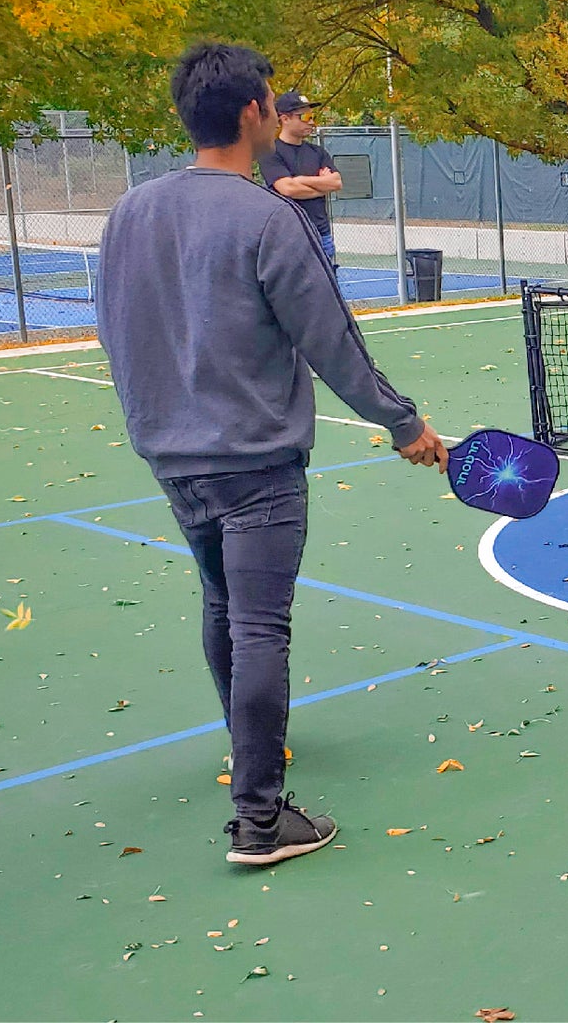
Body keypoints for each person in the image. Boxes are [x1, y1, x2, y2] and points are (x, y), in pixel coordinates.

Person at [95, 42, 449, 867]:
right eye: (271, 100)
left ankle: (246, 750)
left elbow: (115, 332)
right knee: (259, 626)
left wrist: (155, 424)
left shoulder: (129, 213)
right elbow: (333, 341)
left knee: (222, 606)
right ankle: (259, 818)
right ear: (255, 112)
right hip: (255, 464)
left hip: (172, 459)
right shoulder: (268, 217)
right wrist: (405, 425)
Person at [259, 90, 343, 266]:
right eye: (303, 116)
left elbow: (335, 182)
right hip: (288, 237)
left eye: (312, 116)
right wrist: (320, 186)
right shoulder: (271, 152)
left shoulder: (318, 152)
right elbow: (288, 189)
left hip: (322, 235)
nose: (311, 121)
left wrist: (298, 180)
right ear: (285, 119)